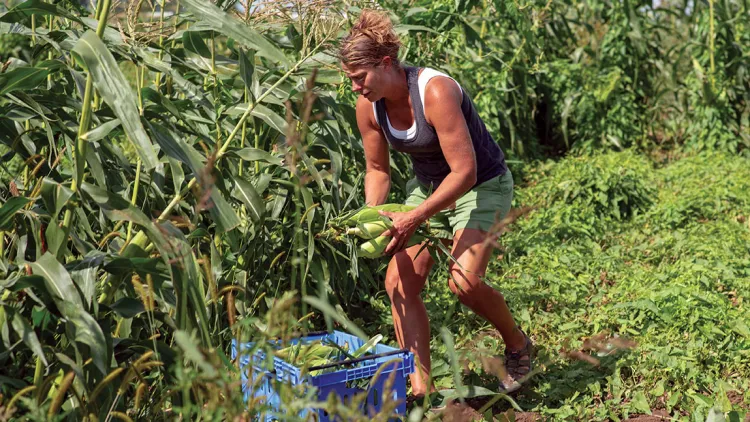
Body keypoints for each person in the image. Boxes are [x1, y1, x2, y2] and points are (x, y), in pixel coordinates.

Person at [338, 10, 534, 401]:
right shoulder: (369, 106)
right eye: (351, 80)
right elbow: (377, 170)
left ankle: (519, 346)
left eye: (360, 78)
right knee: (398, 283)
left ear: (387, 63)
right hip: (429, 189)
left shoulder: (435, 91)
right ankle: (421, 391)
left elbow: (464, 171)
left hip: (482, 184)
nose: (356, 88)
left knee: (464, 283)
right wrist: (372, 217)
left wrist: (412, 217)